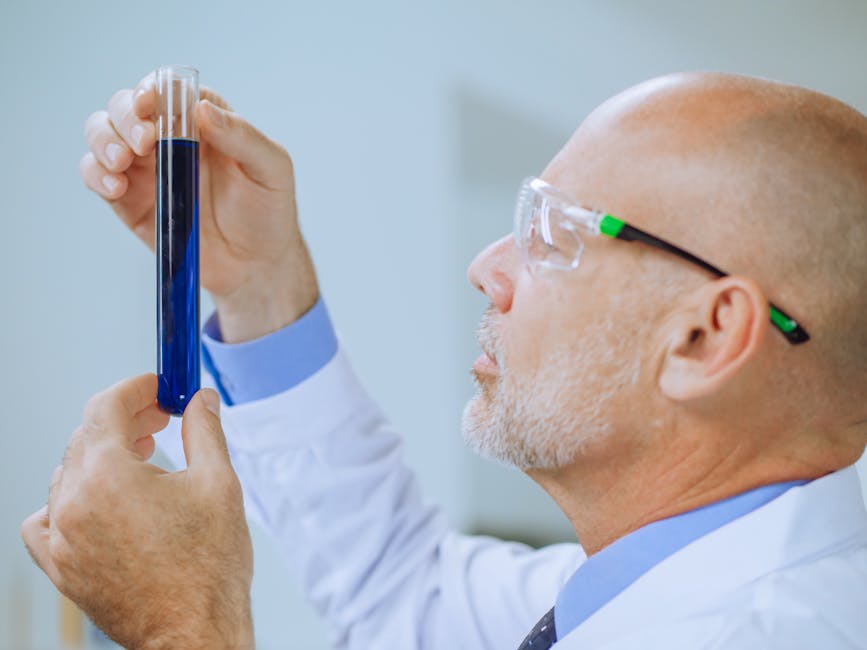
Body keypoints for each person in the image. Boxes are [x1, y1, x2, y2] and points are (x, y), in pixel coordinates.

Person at [21, 71, 867, 649]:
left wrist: (181, 623)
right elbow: (402, 591)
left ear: (705, 338)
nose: (487, 268)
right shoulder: (627, 589)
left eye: (548, 231)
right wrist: (255, 281)